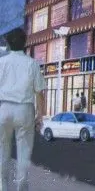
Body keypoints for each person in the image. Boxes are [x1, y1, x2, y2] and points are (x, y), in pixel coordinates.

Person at [0, 28, 46, 191]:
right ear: (24, 43)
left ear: (8, 44)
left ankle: (2, 186)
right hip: (25, 110)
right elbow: (39, 93)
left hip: (4, 108)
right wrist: (40, 116)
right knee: (24, 152)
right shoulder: (32, 63)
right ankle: (21, 186)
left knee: (2, 150)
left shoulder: (1, 63)